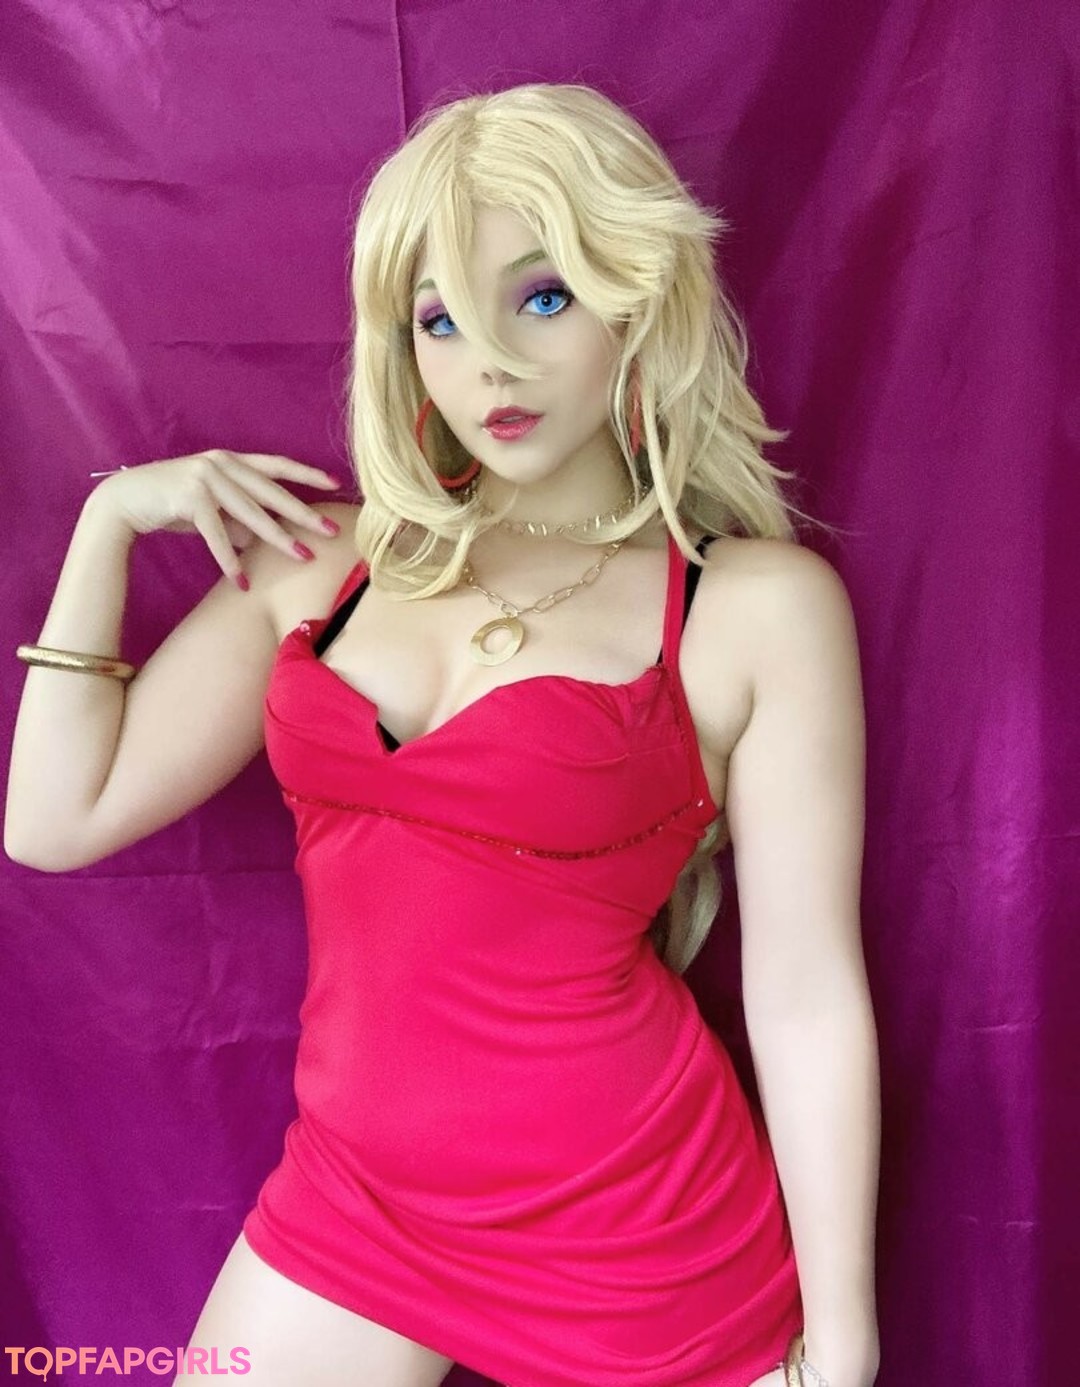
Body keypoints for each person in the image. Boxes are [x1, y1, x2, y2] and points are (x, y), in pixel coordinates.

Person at [5, 83, 880, 1387]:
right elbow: (53, 819)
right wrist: (111, 524)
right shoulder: (321, 562)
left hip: (633, 1236)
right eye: (439, 320)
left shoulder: (753, 608)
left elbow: (804, 993)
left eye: (543, 297)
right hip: (354, 1208)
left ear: (639, 299)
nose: (491, 367)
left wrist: (846, 1340)